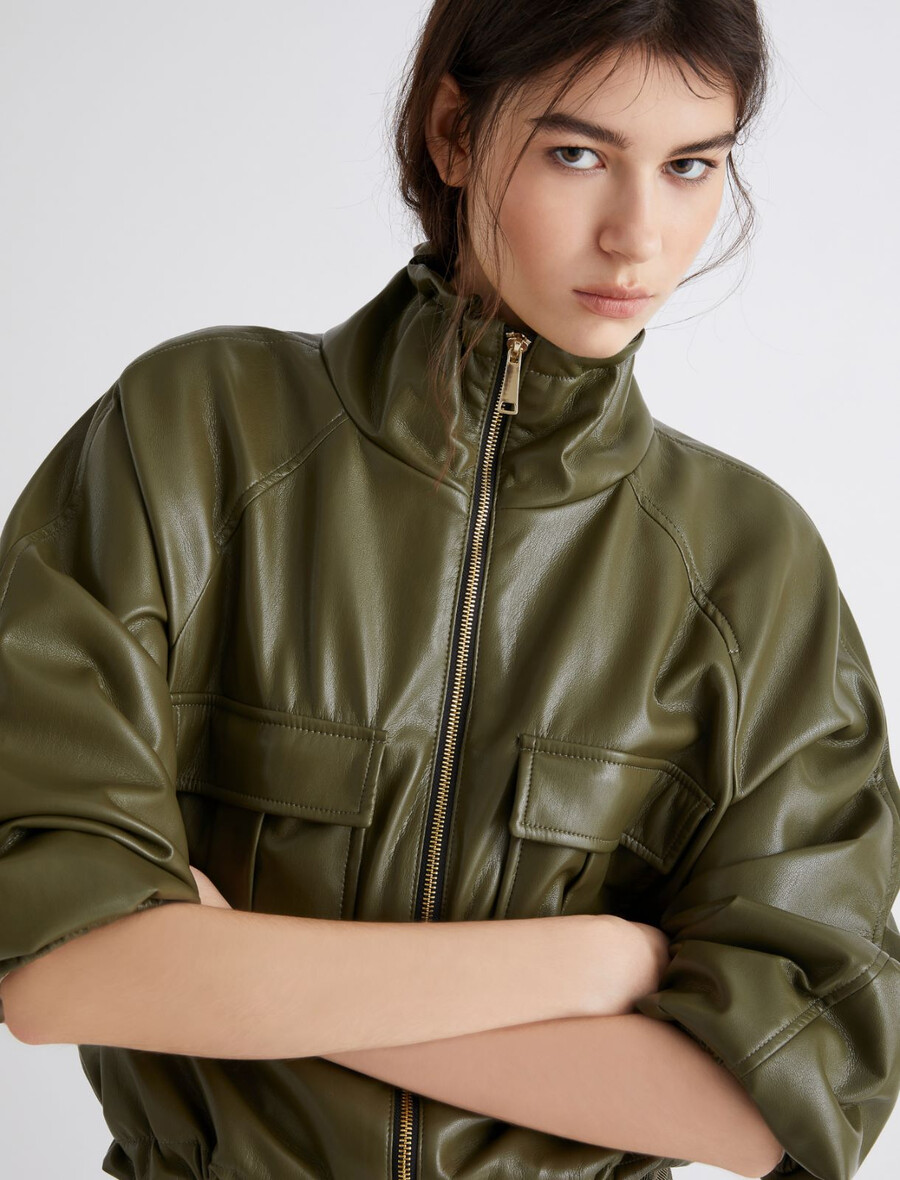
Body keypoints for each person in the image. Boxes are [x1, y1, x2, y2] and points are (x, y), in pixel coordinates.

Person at [1, 2, 898, 1180]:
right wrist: (584, 965)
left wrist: (234, 973)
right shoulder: (190, 440)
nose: (637, 236)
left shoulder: (749, 567)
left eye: (690, 166)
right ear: (453, 133)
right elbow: (59, 967)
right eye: (578, 153)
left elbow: (781, 1102)